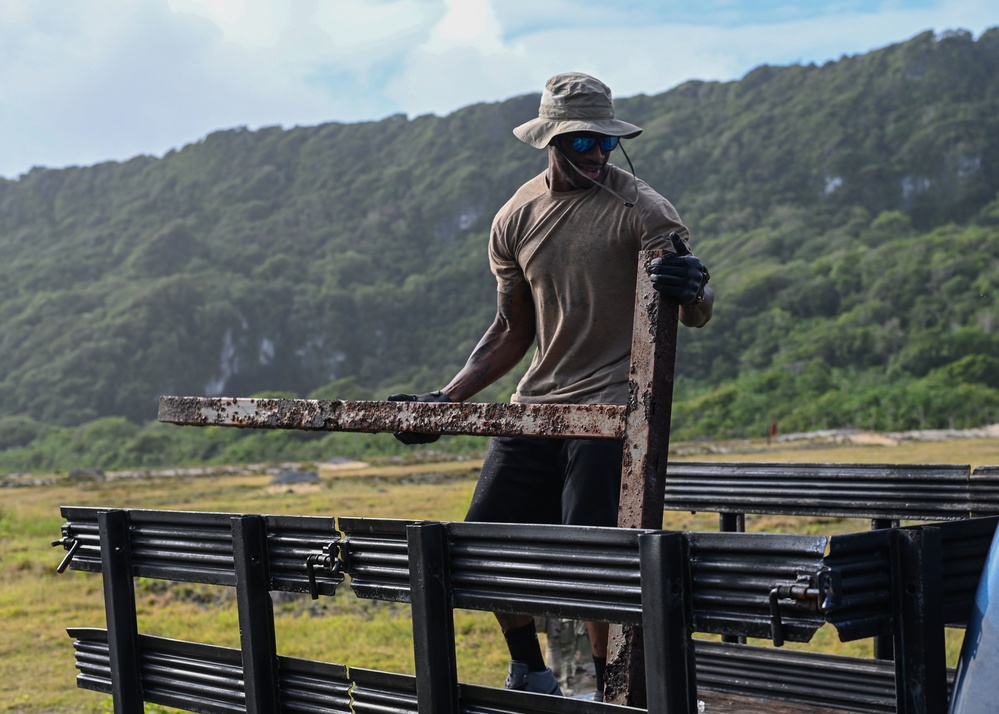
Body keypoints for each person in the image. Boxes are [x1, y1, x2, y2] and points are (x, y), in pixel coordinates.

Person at [388, 71, 714, 699]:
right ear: (550, 141)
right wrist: (445, 402)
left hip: (613, 409)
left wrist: (694, 287)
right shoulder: (516, 216)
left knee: (592, 562)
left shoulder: (643, 209)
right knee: (478, 546)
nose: (596, 156)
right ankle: (531, 672)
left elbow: (694, 313)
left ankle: (617, 689)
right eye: (581, 144)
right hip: (536, 408)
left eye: (605, 143)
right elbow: (512, 329)